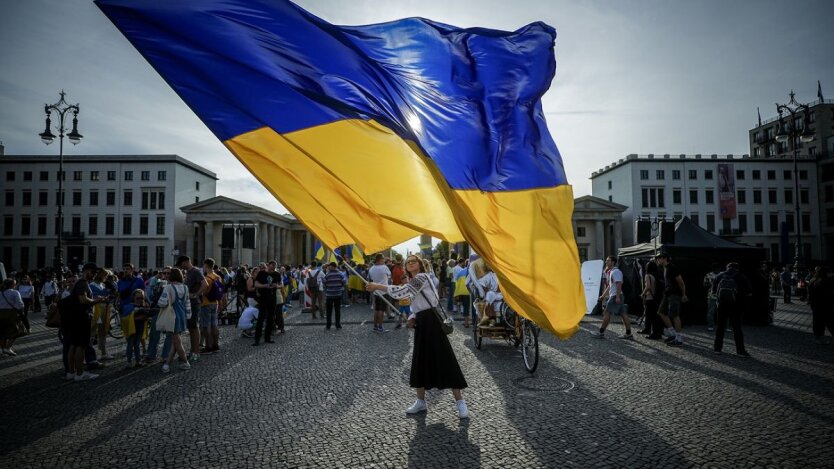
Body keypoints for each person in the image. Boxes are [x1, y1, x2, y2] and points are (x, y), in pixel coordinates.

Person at [366, 254, 469, 419]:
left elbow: (404, 291)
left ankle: (460, 403)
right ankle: (420, 402)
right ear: (406, 267)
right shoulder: (413, 281)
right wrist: (412, 317)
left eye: (413, 261)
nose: (410, 264)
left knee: (445, 359)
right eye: (408, 263)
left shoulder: (422, 277)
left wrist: (379, 286)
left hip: (433, 322)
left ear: (420, 265)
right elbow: (414, 304)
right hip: (421, 322)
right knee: (419, 360)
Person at [68, 263, 108, 380]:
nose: (94, 275)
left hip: (75, 317)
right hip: (82, 318)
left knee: (73, 345)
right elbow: (83, 299)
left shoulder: (79, 282)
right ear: (87, 271)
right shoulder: (83, 283)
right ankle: (80, 373)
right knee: (80, 346)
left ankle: (71, 372)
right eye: (93, 272)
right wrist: (97, 300)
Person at [155, 268, 192, 373]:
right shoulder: (185, 288)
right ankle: (167, 364)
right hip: (182, 316)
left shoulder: (168, 287)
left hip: (172, 317)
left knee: (177, 342)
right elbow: (187, 304)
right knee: (175, 342)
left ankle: (185, 362)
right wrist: (188, 316)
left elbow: (162, 303)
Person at [711, 262, 751, 357]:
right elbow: (749, 291)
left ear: (727, 267)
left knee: (720, 327)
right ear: (737, 268)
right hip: (736, 306)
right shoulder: (741, 276)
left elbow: (713, 291)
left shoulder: (719, 276)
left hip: (722, 305)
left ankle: (717, 349)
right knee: (737, 328)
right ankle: (740, 351)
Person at [593, 256, 634, 340]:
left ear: (613, 262)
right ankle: (629, 333)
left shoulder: (615, 272)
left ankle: (601, 332)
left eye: (608, 261)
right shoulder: (612, 272)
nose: (606, 262)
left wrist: (617, 296)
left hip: (616, 296)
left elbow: (619, 284)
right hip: (617, 295)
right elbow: (610, 286)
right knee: (623, 314)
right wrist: (603, 295)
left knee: (607, 313)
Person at [655, 252, 688, 347]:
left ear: (664, 258)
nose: (657, 260)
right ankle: (672, 333)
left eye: (659, 258)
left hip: (674, 294)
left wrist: (684, 294)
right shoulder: (664, 268)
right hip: (667, 294)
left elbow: (681, 282)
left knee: (674, 315)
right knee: (661, 312)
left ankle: (679, 338)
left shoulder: (672, 268)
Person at [177, 256, 205, 362]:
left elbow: (205, 284)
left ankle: (196, 352)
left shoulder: (195, 271)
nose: (180, 267)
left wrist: (196, 294)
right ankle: (193, 350)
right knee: (191, 328)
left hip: (194, 303)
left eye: (181, 264)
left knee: (194, 327)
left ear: (185, 262)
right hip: (190, 303)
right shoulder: (189, 272)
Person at [253, 260, 282, 346]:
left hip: (272, 298)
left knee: (271, 318)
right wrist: (264, 286)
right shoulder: (261, 273)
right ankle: (257, 339)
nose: (273, 269)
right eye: (272, 266)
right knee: (261, 318)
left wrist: (277, 286)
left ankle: (267, 337)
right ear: (268, 265)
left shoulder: (277, 274)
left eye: (274, 267)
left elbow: (281, 284)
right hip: (263, 298)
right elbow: (256, 284)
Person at [200, 258, 222, 354]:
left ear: (206, 265)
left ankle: (208, 346)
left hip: (206, 303)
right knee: (214, 324)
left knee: (206, 325)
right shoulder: (217, 277)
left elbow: (205, 292)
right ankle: (215, 345)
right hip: (215, 302)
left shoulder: (208, 278)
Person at [808, 266, 834, 344]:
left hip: (815, 305)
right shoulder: (826, 280)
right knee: (830, 321)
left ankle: (818, 338)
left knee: (817, 322)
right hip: (826, 305)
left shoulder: (812, 280)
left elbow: (809, 293)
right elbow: (830, 294)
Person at [368, 254, 392, 333]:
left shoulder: (371, 268)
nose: (384, 260)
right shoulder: (384, 267)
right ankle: (380, 327)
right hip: (383, 291)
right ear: (380, 259)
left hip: (375, 292)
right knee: (382, 310)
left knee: (376, 309)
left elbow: (370, 279)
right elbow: (389, 277)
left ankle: (375, 326)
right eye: (383, 258)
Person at [0, 278, 24, 356]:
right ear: (12, 285)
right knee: (17, 331)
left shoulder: (0, 292)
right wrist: (19, 312)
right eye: (15, 283)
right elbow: (20, 304)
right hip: (11, 314)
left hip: (0, 313)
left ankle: (2, 349)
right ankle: (8, 347)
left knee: (2, 332)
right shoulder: (15, 292)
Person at [640, 261, 662, 339]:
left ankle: (654, 333)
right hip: (655, 297)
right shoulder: (654, 276)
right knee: (655, 316)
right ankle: (656, 332)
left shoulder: (647, 275)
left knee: (651, 316)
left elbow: (648, 286)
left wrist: (643, 293)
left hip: (649, 298)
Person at [323, 262, 346, 330]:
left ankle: (328, 325)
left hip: (329, 295)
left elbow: (324, 283)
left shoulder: (327, 274)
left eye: (329, 266)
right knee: (337, 310)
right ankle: (338, 325)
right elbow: (344, 282)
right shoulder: (340, 274)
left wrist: (328, 287)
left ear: (333, 266)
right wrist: (340, 287)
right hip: (338, 294)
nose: (328, 267)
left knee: (329, 311)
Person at [703, 263, 721, 332]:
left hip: (717, 295)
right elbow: (704, 284)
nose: (717, 270)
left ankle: (722, 326)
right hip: (713, 295)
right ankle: (711, 325)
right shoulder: (709, 275)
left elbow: (705, 284)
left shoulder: (721, 275)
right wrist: (712, 284)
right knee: (711, 311)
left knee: (720, 311)